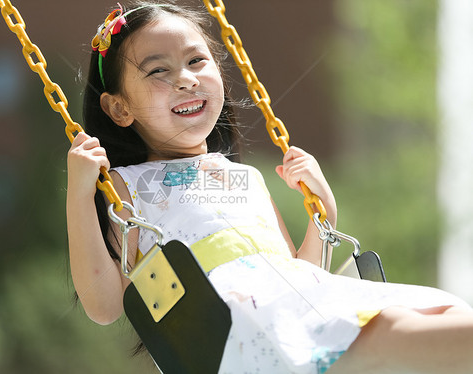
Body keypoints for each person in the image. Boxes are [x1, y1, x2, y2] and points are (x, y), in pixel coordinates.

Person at [66, 1, 473, 373]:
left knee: (450, 313)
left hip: (302, 308)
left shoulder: (247, 179)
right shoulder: (127, 187)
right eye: (159, 70)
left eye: (196, 60)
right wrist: (80, 194)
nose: (186, 79)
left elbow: (299, 271)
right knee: (411, 333)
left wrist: (322, 214)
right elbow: (104, 305)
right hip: (244, 332)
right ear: (120, 108)